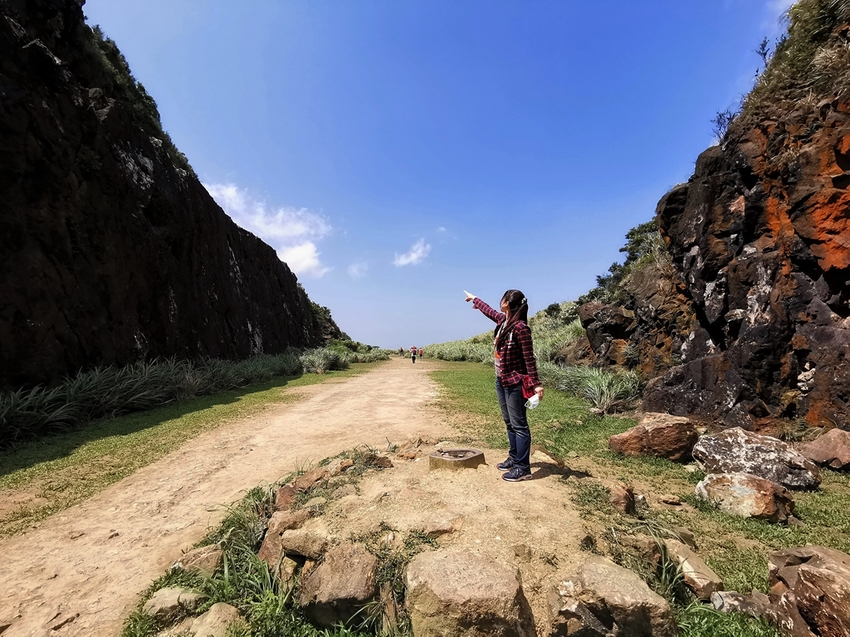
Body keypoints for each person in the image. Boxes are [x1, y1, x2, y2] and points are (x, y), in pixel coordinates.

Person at [466, 289, 543, 482]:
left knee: (519, 425)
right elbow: (489, 311)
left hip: (515, 382)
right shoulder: (503, 322)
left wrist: (536, 385)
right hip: (501, 380)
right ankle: (514, 457)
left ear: (507, 302)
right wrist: (475, 299)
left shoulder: (520, 328)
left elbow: (529, 358)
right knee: (509, 422)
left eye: (502, 298)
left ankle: (523, 468)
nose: (499, 302)